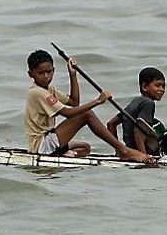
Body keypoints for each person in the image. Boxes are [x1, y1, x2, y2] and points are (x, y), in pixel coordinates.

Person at [25, 50, 153, 163]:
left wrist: (73, 75)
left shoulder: (48, 89)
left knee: (85, 148)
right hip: (41, 145)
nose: (47, 76)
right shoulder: (37, 92)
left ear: (54, 70)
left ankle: (64, 154)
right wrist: (97, 101)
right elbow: (67, 113)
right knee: (87, 114)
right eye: (41, 73)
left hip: (49, 140)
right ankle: (123, 150)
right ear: (31, 74)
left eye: (49, 71)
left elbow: (74, 102)